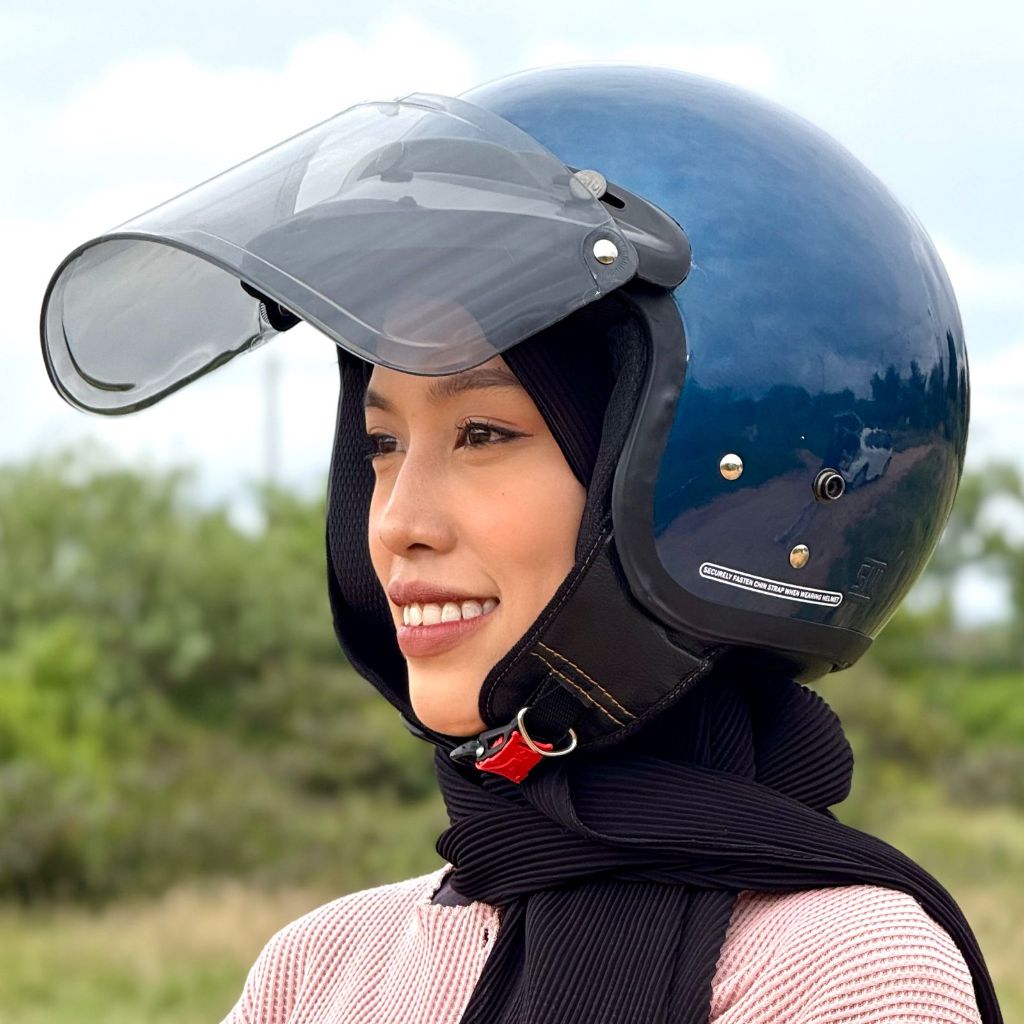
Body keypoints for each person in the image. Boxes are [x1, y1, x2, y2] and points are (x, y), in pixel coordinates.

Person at [39, 65, 1001, 1023]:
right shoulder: (317, 970)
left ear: (696, 473)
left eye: (483, 434)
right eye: (381, 444)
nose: (397, 522)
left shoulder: (843, 971)